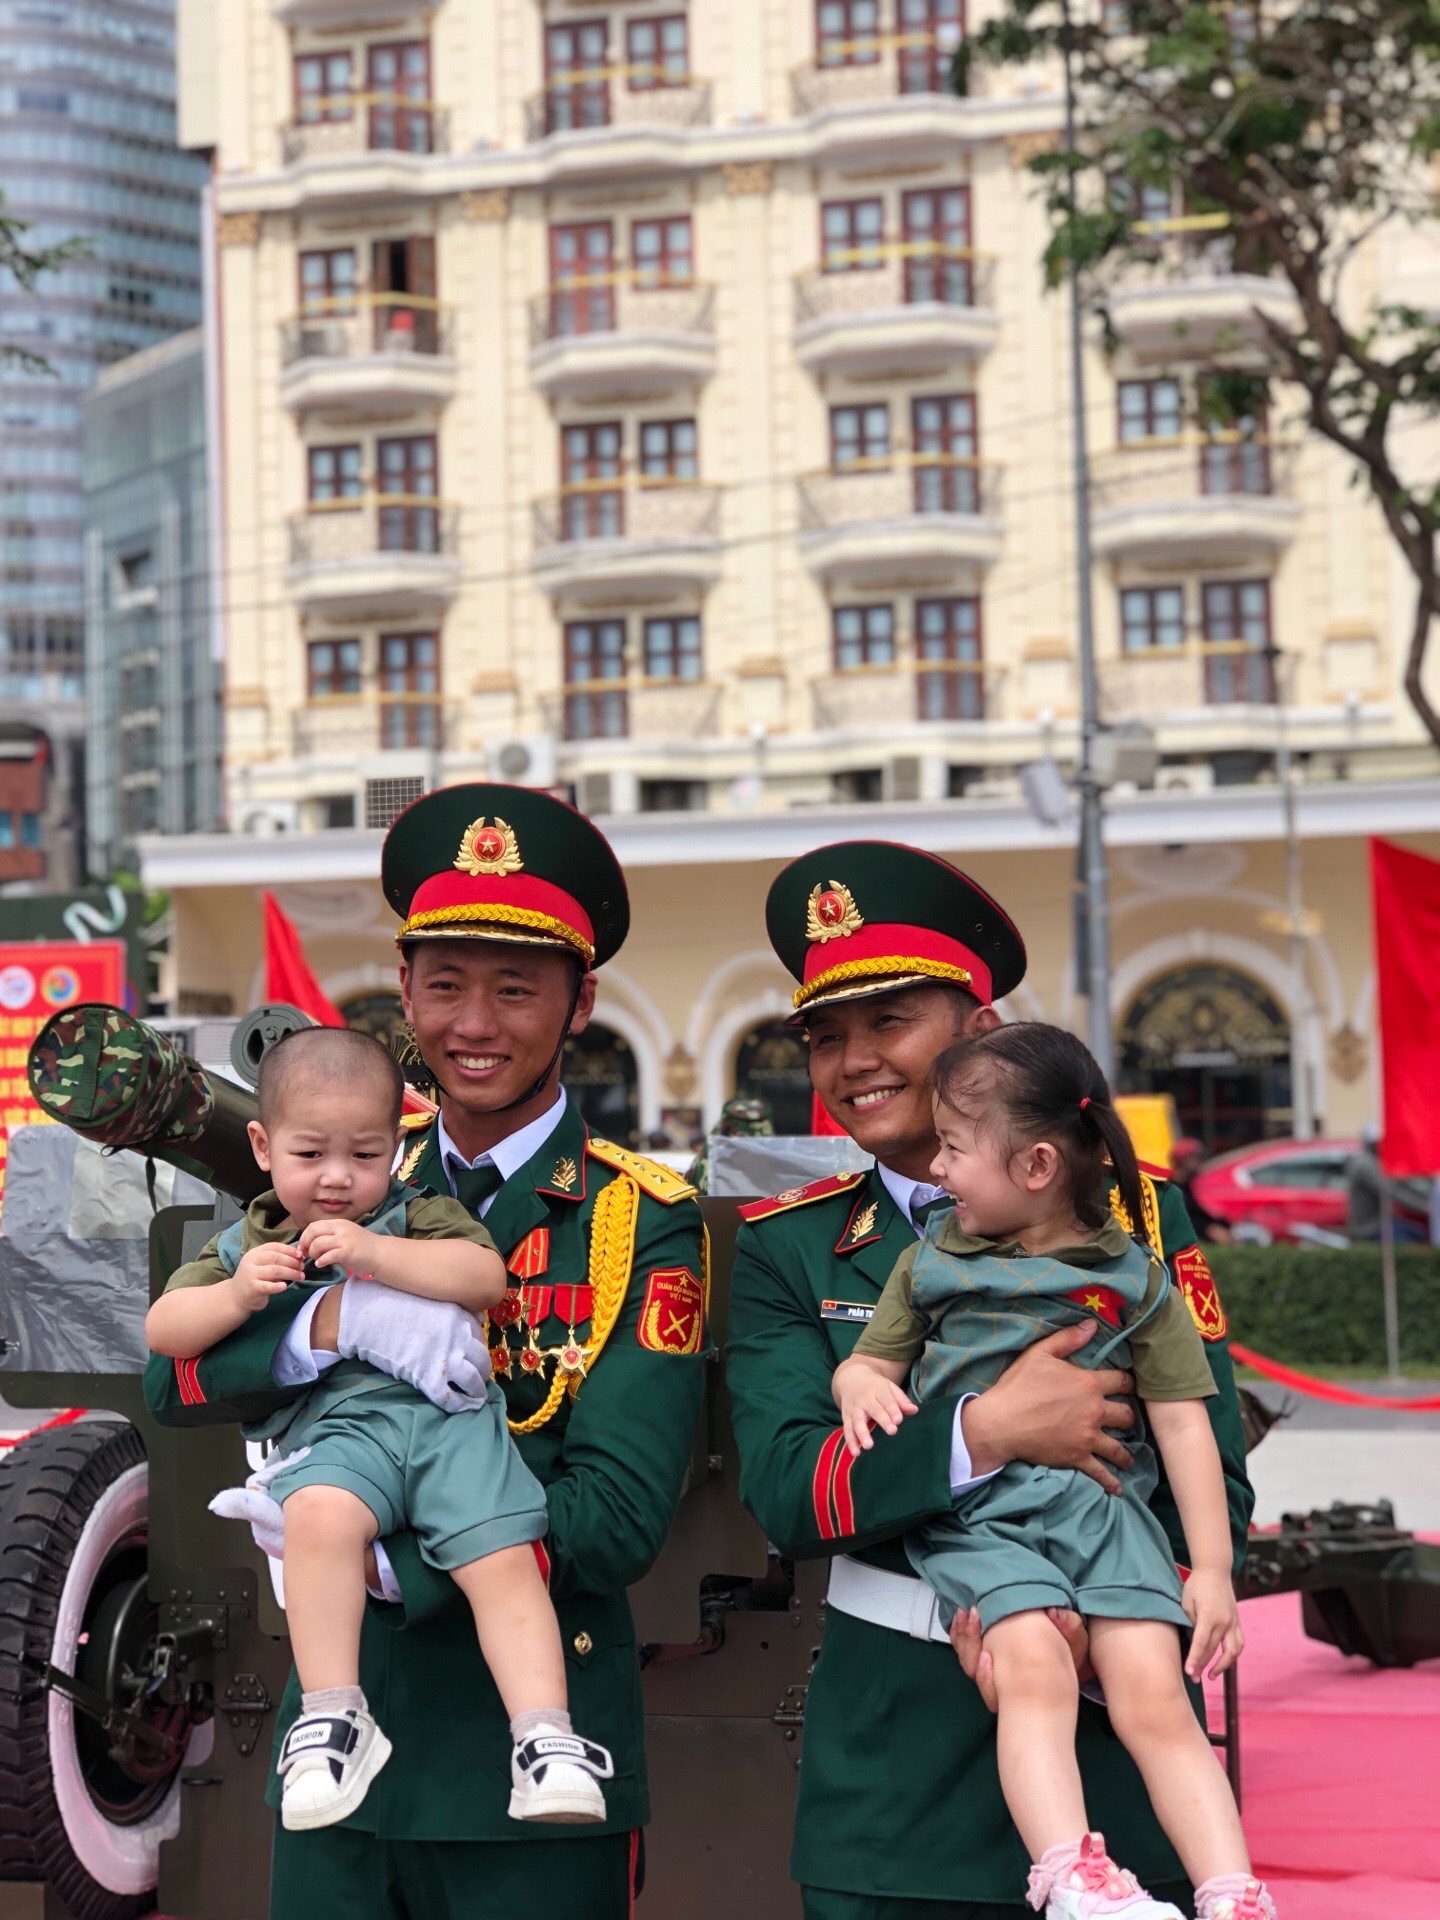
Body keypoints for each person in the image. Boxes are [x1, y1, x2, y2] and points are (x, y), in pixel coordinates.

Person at [144, 783, 709, 1920]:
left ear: (582, 1002)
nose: (475, 1024)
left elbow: (617, 1514)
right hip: (338, 1755)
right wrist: (324, 1329)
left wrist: (382, 1562)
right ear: (403, 992)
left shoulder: (638, 1219)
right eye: (445, 985)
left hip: (533, 1767)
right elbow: (174, 1377)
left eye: (516, 988)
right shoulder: (337, 1166)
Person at [725, 840, 1253, 1919]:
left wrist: (1105, 1628)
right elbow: (788, 1490)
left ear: (980, 1029)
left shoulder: (1134, 1218)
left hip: (1113, 1761)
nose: (854, 1061)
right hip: (896, 1782)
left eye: (888, 1022)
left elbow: (1215, 1470)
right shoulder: (788, 1245)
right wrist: (985, 1432)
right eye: (825, 1037)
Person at [833, 1025, 1271, 1920]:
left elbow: (1187, 1424)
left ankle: (1232, 1891)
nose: (938, 1169)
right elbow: (869, 1364)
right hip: (983, 1520)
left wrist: (1214, 1570)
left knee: (1156, 1692)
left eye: (954, 1147)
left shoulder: (1137, 1277)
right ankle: (1070, 1875)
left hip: (1105, 1516)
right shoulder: (930, 1262)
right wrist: (859, 1386)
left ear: (1036, 1165)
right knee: (1032, 1663)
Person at [148, 1025, 612, 1833]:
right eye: (310, 1154)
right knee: (316, 1517)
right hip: (344, 1434)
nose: (337, 1177)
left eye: (364, 1155)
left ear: (394, 1148)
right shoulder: (248, 1241)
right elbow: (165, 1332)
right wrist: (237, 1296)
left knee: (504, 1558)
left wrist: (375, 1257)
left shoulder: (419, 1213)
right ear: (262, 1146)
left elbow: (484, 1276)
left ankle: (545, 1738)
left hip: (450, 1427)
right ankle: (332, 1718)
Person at [1168, 1138, 1234, 1245]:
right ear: (1185, 1161)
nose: (1200, 1162)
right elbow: (1181, 1221)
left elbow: (1200, 1214)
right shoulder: (1171, 1190)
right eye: (1197, 1158)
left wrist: (1224, 1224)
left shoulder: (1188, 1185)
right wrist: (1208, 1230)